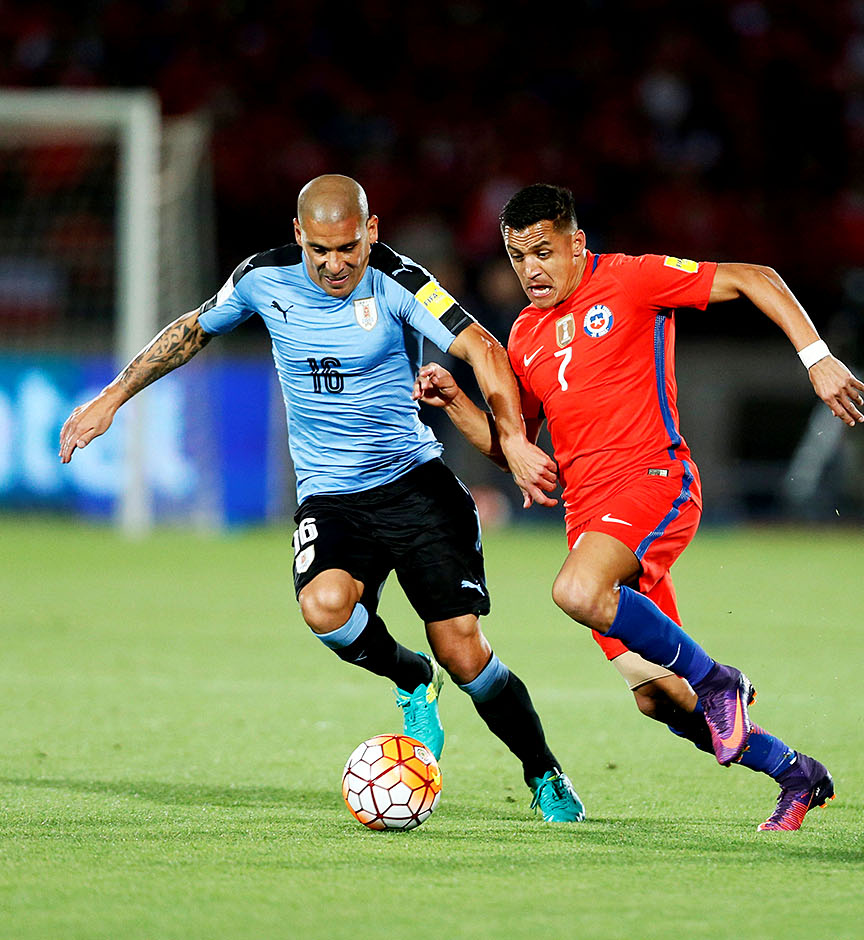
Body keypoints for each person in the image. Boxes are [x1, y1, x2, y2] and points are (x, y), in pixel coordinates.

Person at [58, 174, 587, 822]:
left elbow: (480, 346)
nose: (335, 265)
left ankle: (544, 773)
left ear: (370, 232)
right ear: (298, 237)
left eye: (348, 248)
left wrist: (512, 438)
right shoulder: (262, 278)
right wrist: (110, 399)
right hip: (332, 497)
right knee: (324, 608)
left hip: (415, 485)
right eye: (320, 251)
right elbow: (195, 328)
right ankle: (411, 679)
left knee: (465, 651)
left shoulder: (397, 279)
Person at [416, 183, 864, 830]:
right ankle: (796, 774)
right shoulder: (525, 334)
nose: (532, 270)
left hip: (652, 481)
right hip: (591, 519)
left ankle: (721, 681)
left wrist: (817, 359)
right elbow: (517, 450)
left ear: (577, 243)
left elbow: (753, 277)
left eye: (544, 251)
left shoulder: (630, 279)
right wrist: (457, 404)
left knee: (576, 590)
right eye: (519, 257)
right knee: (659, 698)